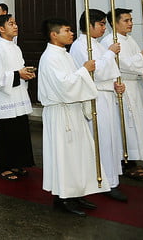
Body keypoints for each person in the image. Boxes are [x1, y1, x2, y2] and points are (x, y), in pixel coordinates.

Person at [39, 18, 108, 216]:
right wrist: (85, 70)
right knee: (64, 156)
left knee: (77, 155)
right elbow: (64, 86)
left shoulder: (64, 54)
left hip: (73, 111)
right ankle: (63, 198)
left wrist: (83, 73)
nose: (71, 34)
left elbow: (72, 81)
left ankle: (76, 193)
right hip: (61, 114)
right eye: (67, 31)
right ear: (54, 34)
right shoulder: (50, 57)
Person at [70, 9, 127, 201]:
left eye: (104, 24)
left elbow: (109, 72)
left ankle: (111, 178)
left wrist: (115, 85)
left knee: (111, 139)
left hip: (106, 95)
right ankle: (101, 180)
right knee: (100, 140)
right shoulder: (79, 46)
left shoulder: (97, 44)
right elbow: (96, 72)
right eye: (101, 24)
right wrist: (111, 53)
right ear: (89, 25)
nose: (104, 27)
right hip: (95, 97)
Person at [102, 8, 143, 180]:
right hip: (120, 88)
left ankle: (132, 160)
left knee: (134, 127)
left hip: (132, 88)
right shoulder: (110, 41)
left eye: (131, 20)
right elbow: (120, 64)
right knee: (123, 126)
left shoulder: (129, 40)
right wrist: (141, 56)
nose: (130, 23)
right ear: (114, 23)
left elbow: (136, 66)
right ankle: (124, 163)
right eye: (126, 20)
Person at [0, 14, 35, 180]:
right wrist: (18, 74)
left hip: (17, 95)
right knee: (6, 134)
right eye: (11, 24)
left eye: (15, 23)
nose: (16, 26)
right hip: (4, 98)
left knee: (19, 131)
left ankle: (17, 163)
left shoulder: (15, 47)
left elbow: (18, 69)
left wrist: (25, 73)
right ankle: (4, 167)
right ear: (1, 29)